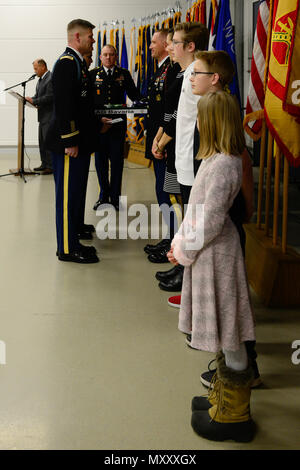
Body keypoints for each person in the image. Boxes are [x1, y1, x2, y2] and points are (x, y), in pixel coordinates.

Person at [168, 91, 257, 443]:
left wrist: (183, 251)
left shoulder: (224, 164)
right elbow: (196, 213)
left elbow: (210, 221)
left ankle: (235, 414)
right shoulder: (216, 158)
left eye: (202, 117)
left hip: (217, 255)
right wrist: (180, 244)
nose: (198, 123)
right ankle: (224, 394)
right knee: (224, 327)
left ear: (213, 121)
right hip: (206, 253)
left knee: (229, 329)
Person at [151, 23, 209, 278]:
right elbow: (174, 115)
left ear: (190, 46)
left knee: (192, 220)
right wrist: (160, 137)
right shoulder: (185, 74)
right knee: (187, 217)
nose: (169, 46)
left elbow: (180, 118)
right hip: (182, 156)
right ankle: (183, 270)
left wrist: (162, 141)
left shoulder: (198, 75)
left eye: (174, 42)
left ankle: (186, 273)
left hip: (191, 157)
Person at [46, 18, 99, 263]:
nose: (93, 41)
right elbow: (65, 107)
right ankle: (67, 248)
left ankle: (73, 237)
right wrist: (70, 140)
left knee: (76, 193)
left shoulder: (77, 62)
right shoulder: (67, 63)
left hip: (79, 142)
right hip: (69, 144)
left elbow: (82, 105)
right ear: (77, 37)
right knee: (67, 197)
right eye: (90, 36)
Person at [90, 44, 141, 211]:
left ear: (116, 56)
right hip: (99, 127)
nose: (108, 58)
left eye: (111, 55)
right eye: (105, 54)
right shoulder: (92, 75)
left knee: (117, 164)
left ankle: (115, 199)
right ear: (100, 57)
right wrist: (97, 119)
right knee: (100, 163)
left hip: (118, 126)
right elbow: (87, 102)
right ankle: (103, 196)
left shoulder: (123, 74)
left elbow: (134, 95)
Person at [143, 29, 179, 263]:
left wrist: (163, 139)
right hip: (157, 137)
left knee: (168, 192)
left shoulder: (173, 70)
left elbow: (171, 110)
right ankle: (170, 236)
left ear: (166, 44)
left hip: (166, 140)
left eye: (154, 42)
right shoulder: (160, 69)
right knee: (160, 190)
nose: (150, 46)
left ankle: (174, 239)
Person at [26, 59, 53, 174]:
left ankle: (50, 166)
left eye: (36, 68)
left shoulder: (50, 78)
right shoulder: (41, 80)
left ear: (43, 67)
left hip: (49, 116)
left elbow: (50, 97)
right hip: (42, 116)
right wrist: (31, 100)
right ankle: (44, 163)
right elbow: (38, 96)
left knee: (47, 142)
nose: (35, 71)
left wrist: (35, 100)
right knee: (42, 141)